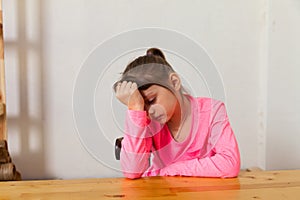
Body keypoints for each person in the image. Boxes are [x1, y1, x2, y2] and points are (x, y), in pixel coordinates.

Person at [113, 48, 240, 179]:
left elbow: (230, 163)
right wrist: (135, 109)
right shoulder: (148, 121)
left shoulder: (212, 111)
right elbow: (132, 172)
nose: (149, 111)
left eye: (151, 100)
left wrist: (171, 170)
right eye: (142, 106)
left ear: (174, 82)